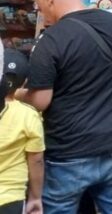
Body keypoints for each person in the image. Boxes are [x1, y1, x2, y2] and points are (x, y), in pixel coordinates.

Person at [19, 0, 112, 213]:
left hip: (70, 150)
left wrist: (17, 94)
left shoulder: (50, 39)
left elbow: (42, 100)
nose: (39, 12)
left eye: (37, 5)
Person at [0, 49, 43, 214]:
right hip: (11, 199)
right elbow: (36, 160)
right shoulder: (30, 115)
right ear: (25, 82)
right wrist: (36, 197)